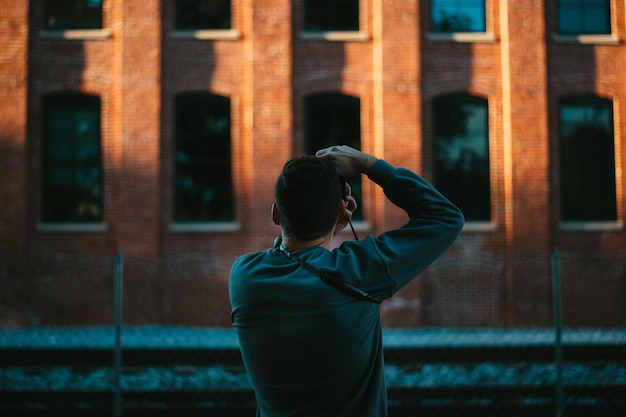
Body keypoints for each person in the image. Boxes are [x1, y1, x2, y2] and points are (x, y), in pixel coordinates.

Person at [229, 145, 464, 416]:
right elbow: (445, 216)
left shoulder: (244, 275)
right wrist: (368, 164)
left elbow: (289, 255)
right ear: (343, 212)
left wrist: (329, 222)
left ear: (275, 214)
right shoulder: (360, 271)